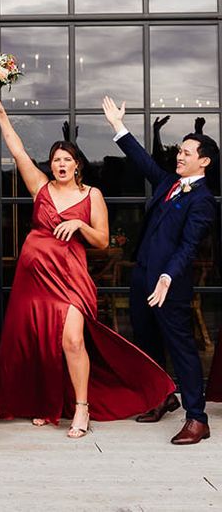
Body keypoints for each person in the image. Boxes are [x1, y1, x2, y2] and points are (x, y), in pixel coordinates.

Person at [0, 98, 175, 438]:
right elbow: (16, 151)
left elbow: (103, 241)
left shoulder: (92, 195)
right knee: (40, 342)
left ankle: (81, 407)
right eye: (55, 160)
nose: (60, 164)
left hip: (70, 279)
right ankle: (49, 404)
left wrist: (79, 227)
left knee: (73, 340)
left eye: (67, 160)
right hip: (34, 279)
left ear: (77, 165)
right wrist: (2, 116)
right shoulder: (40, 188)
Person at [103, 96, 218, 445]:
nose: (179, 155)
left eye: (186, 152)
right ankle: (161, 396)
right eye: (179, 150)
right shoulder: (169, 182)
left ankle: (197, 419)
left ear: (204, 161)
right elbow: (142, 161)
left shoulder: (203, 201)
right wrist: (118, 127)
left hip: (171, 285)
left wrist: (167, 277)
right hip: (142, 277)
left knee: (181, 348)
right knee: (146, 342)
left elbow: (187, 247)